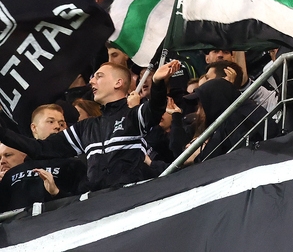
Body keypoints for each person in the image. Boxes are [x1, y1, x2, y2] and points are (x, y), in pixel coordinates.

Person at [0, 61, 181, 191]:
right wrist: (3, 130)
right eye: (93, 77)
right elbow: (41, 148)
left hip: (134, 199)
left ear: (118, 83)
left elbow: (156, 108)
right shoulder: (85, 128)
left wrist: (157, 83)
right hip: (98, 207)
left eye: (99, 76)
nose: (92, 81)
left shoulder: (133, 116)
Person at [0, 106, 86, 210]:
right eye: (50, 122)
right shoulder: (12, 173)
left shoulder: (76, 166)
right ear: (34, 128)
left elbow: (85, 205)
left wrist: (56, 193)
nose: (57, 127)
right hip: (19, 225)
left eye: (62, 123)